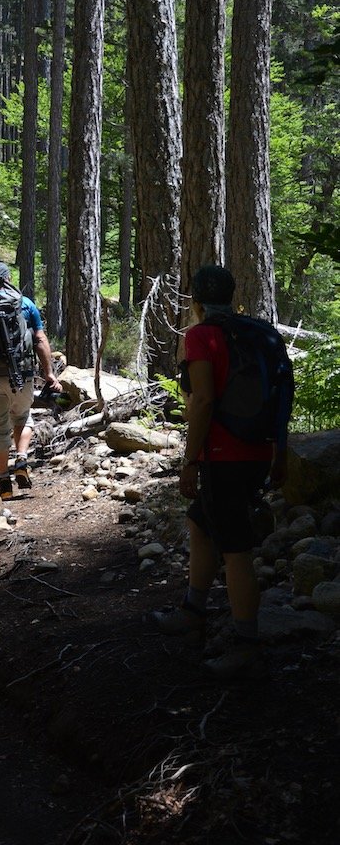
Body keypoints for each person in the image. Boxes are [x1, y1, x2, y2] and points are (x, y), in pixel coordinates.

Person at [151, 264, 289, 679]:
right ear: (232, 295)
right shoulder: (262, 333)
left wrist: (190, 461)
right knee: (201, 524)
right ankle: (194, 609)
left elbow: (204, 401)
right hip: (257, 451)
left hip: (223, 456)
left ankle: (247, 645)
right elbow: (283, 394)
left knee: (236, 551)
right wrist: (280, 453)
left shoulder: (201, 336)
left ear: (195, 302)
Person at [0, 261, 61, 501]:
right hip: (23, 376)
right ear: (8, 278)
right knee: (23, 417)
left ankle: (4, 479)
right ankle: (22, 458)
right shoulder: (25, 305)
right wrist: (49, 373)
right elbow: (40, 340)